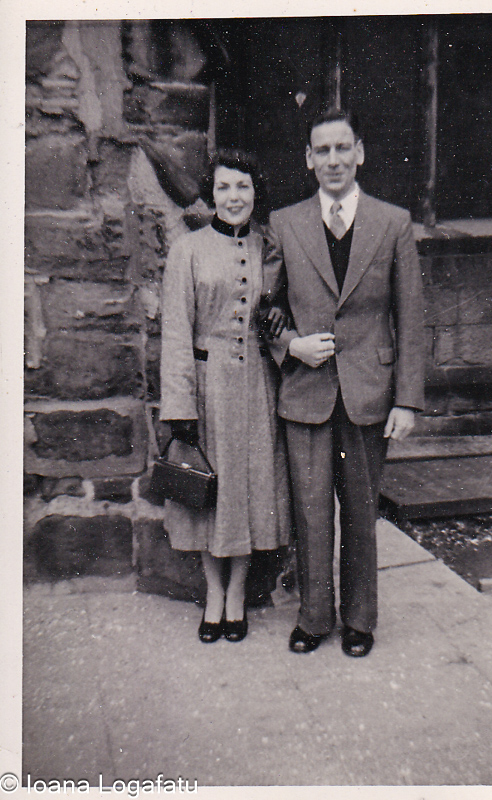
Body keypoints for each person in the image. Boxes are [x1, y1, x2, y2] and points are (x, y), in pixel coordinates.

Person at [263, 107, 424, 657]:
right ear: (309, 160)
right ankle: (313, 617)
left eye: (342, 148)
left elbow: (411, 315)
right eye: (321, 151)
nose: (332, 160)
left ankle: (359, 619)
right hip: (306, 393)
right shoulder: (285, 224)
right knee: (310, 510)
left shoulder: (393, 222)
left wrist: (407, 400)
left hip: (369, 394)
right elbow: (266, 307)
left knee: (360, 510)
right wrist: (289, 345)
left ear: (360, 152)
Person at [160, 149, 291, 644]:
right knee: (209, 498)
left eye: (243, 187)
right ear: (211, 194)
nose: (234, 197)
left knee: (247, 494)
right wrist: (180, 409)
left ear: (256, 193)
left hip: (258, 387)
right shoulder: (187, 250)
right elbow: (175, 333)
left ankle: (237, 594)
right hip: (207, 388)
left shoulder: (268, 248)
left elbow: (281, 312)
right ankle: (212, 593)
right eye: (223, 187)